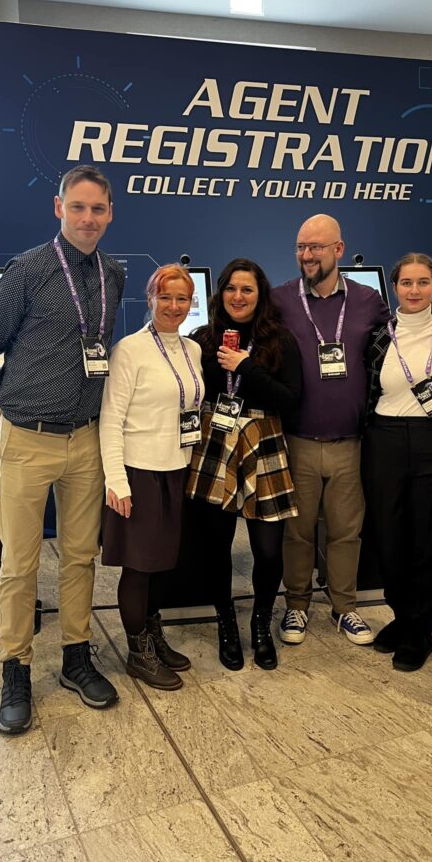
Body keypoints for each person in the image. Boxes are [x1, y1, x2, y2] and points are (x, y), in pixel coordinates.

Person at [0, 164, 124, 735]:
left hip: (85, 439)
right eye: (77, 207)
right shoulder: (29, 269)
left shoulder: (114, 274)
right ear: (59, 208)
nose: (88, 218)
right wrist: (2, 411)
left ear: (110, 214)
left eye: (98, 209)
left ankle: (76, 657)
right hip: (28, 438)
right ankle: (15, 668)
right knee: (20, 561)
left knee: (81, 555)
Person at [272, 214, 390, 647]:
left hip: (350, 443)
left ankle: (345, 607)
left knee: (345, 532)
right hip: (297, 441)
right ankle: (297, 606)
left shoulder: (368, 301)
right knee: (297, 533)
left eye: (316, 247)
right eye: (301, 247)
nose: (307, 255)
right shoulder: (280, 300)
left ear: (338, 250)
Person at [186, 259, 302, 670]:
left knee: (268, 551)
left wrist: (246, 367)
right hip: (215, 441)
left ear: (260, 295)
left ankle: (260, 623)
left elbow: (290, 400)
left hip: (262, 440)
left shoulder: (279, 339)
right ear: (220, 294)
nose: (238, 297)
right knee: (216, 546)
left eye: (247, 289)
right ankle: (226, 624)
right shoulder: (203, 339)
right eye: (231, 289)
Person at [99, 264, 204, 690]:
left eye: (182, 299)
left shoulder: (192, 349)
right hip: (138, 473)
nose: (174, 306)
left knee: (162, 565)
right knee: (139, 567)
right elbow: (111, 419)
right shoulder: (130, 350)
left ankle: (154, 636)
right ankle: (137, 652)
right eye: (165, 297)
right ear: (150, 299)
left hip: (174, 470)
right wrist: (116, 480)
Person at [362, 253, 432, 671]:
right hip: (384, 439)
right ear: (394, 287)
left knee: (425, 539)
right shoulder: (377, 336)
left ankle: (421, 627)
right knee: (388, 537)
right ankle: (401, 614)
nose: (415, 290)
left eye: (423, 282)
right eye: (406, 283)